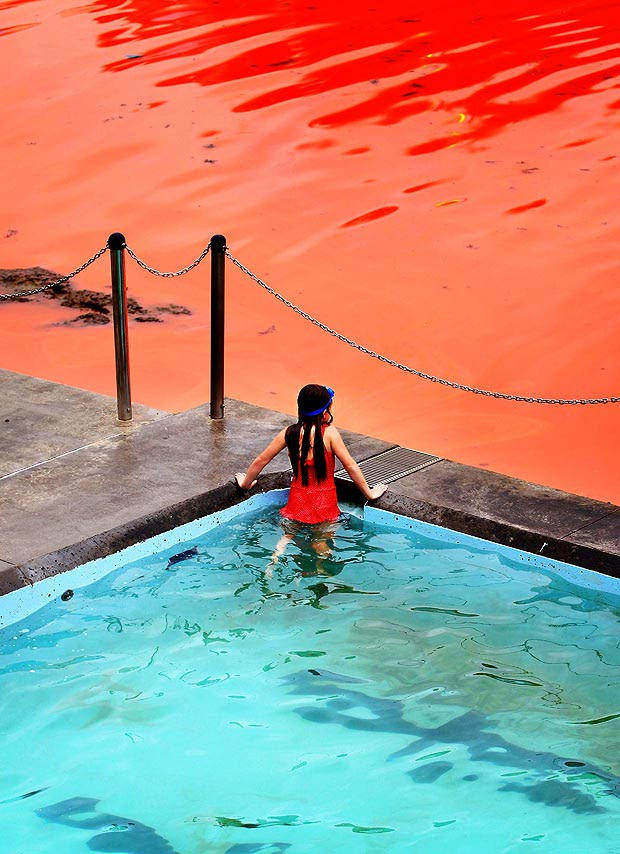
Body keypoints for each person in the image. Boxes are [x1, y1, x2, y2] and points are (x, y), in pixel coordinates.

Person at [235, 384, 387, 570]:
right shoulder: (329, 434)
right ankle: (321, 572)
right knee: (320, 543)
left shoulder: (289, 433)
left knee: (288, 535)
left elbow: (261, 460)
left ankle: (275, 557)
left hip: (297, 501)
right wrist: (369, 493)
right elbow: (351, 466)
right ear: (325, 412)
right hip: (324, 503)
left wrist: (245, 483)